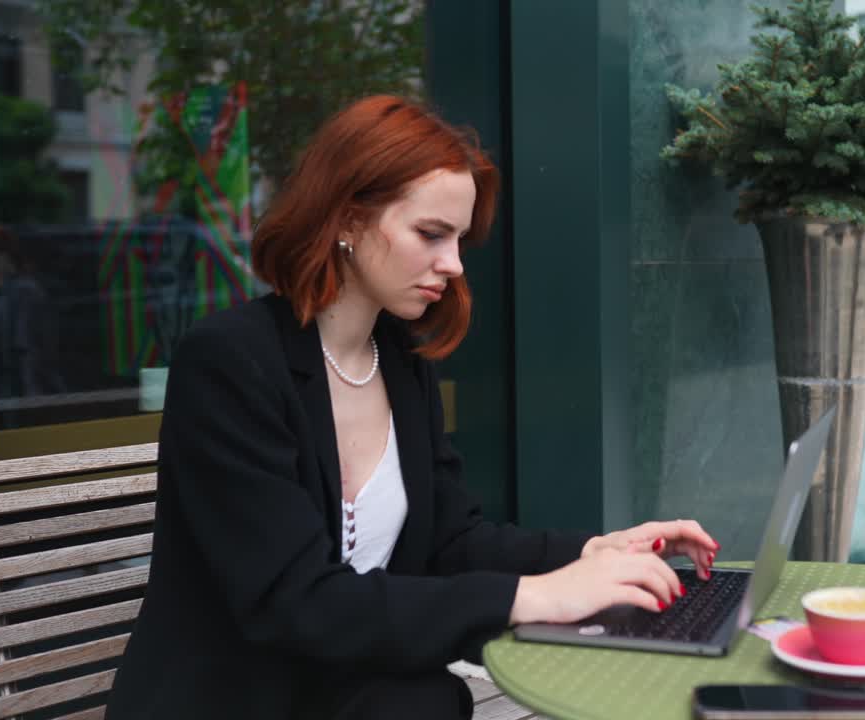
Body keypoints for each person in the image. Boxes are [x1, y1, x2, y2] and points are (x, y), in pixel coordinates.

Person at [106, 95, 720, 720]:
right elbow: (293, 602)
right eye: (431, 234)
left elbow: (451, 541)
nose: (453, 265)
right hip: (233, 697)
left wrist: (591, 553)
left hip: (345, 691)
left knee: (424, 701)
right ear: (347, 218)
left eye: (458, 239)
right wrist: (529, 597)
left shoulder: (398, 363)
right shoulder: (231, 363)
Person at [0, 224, 64, 423]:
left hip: (16, 404)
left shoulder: (23, 293)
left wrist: (31, 404)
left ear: (2, 257)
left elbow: (27, 351)